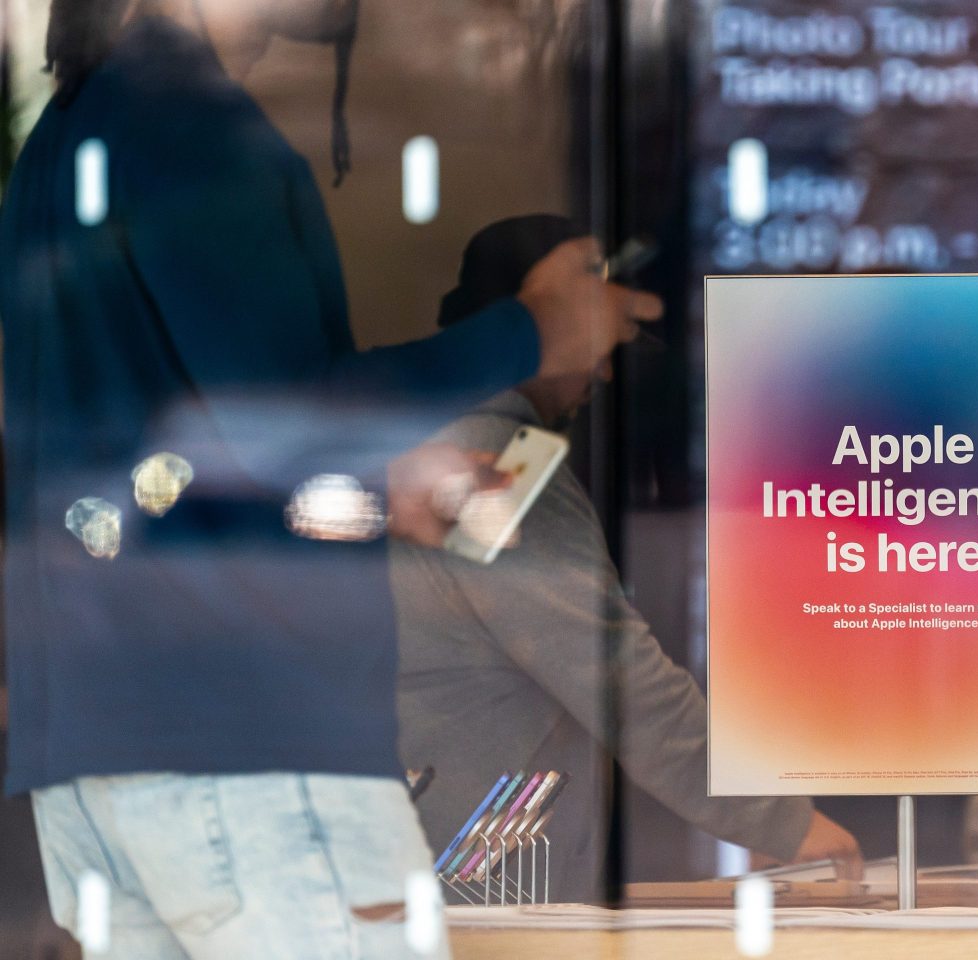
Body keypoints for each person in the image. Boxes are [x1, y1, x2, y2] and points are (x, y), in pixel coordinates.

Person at [0, 2, 655, 957]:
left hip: (98, 756)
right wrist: (534, 330)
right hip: (254, 746)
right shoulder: (188, 118)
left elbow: (178, 463)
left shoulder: (69, 133)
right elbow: (282, 412)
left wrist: (382, 492)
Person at [392, 217, 863, 903]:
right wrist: (782, 821)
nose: (605, 368)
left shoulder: (439, 449)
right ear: (541, 324)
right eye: (595, 338)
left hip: (445, 860)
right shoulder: (496, 465)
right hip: (476, 881)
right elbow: (611, 667)